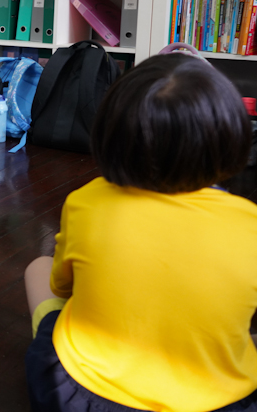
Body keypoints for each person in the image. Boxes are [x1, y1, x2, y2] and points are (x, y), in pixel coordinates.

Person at [24, 54, 257, 412]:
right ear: (228, 136)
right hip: (217, 402)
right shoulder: (250, 222)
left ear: (111, 133)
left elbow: (62, 288)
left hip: (79, 396)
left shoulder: (87, 201)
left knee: (37, 267)